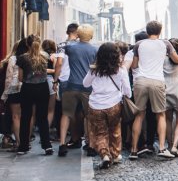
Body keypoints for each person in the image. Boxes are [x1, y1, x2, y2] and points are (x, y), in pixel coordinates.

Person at [129, 21, 178, 159]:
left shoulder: (139, 44)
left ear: (147, 31)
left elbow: (134, 65)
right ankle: (162, 148)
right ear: (160, 31)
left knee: (139, 115)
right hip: (157, 80)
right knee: (161, 115)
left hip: (140, 80)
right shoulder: (165, 44)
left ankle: (134, 150)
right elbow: (177, 60)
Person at [82, 42, 130, 169]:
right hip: (114, 104)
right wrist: (126, 95)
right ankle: (115, 154)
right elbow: (127, 90)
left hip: (96, 106)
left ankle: (105, 155)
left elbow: (85, 84)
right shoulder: (121, 70)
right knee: (114, 129)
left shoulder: (94, 69)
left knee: (100, 132)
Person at [59, 24, 97, 156]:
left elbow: (65, 45)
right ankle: (91, 144)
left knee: (66, 114)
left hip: (71, 85)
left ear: (78, 35)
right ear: (91, 36)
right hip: (87, 87)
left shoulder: (70, 47)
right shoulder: (95, 50)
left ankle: (62, 143)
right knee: (89, 116)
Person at [15, 35, 52, 155]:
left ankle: (23, 146)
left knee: (26, 117)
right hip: (42, 88)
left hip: (28, 88)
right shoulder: (45, 56)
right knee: (42, 117)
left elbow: (20, 78)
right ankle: (47, 146)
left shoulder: (22, 58)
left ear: (27, 44)